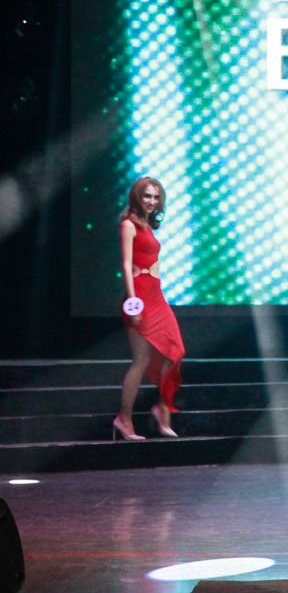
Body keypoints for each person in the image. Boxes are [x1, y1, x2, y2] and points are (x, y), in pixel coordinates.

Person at [115, 177, 185, 441]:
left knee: (173, 352)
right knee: (141, 360)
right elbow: (126, 264)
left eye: (156, 197)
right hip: (140, 296)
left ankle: (161, 410)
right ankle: (124, 420)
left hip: (157, 296)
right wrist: (133, 303)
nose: (152, 201)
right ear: (137, 197)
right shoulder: (128, 225)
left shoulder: (148, 226)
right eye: (147, 196)